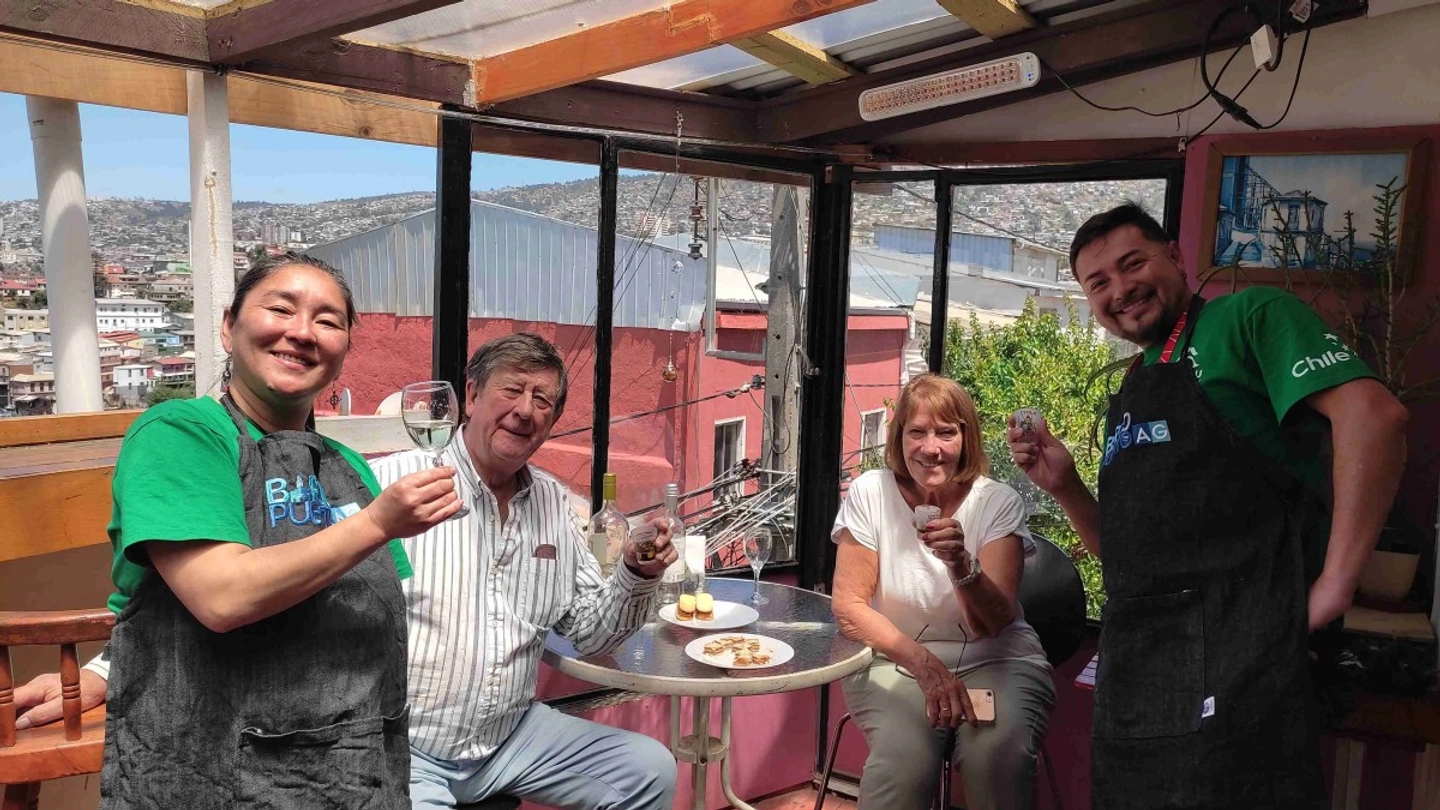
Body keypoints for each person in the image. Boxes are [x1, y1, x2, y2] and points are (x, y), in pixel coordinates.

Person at [11, 252, 462, 809]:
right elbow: (221, 596)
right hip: (214, 777)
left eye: (327, 320)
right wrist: (376, 524)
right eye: (281, 308)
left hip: (355, 776)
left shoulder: (349, 467)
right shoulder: (179, 434)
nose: (302, 332)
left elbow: (365, 612)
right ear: (229, 327)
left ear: (344, 352)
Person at [1007, 204, 1409, 809]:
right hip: (1141, 671)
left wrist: (1336, 583)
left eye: (1132, 262)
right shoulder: (1134, 385)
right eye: (1099, 283)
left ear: (1176, 255)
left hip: (1245, 653)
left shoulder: (1250, 317)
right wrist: (1063, 485)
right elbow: (1129, 556)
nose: (1121, 289)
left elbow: (1375, 420)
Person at [371, 333, 678, 810]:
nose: (526, 410)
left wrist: (637, 574)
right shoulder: (393, 484)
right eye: (512, 390)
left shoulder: (555, 503)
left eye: (543, 401)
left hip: (510, 740)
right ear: (471, 396)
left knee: (649, 770)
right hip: (406, 747)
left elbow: (590, 634)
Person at [832, 374, 1055, 810]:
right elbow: (849, 607)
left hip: (997, 658)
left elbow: (991, 622)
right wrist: (925, 666)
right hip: (895, 660)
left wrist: (960, 564)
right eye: (917, 431)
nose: (930, 447)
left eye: (946, 432)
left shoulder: (997, 501)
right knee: (904, 762)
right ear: (899, 438)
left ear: (965, 439)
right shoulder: (870, 491)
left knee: (996, 758)